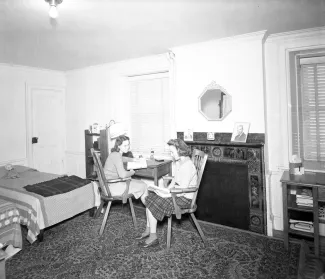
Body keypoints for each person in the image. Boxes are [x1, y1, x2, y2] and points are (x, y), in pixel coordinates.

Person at [136, 139, 197, 248]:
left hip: (185, 199)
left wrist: (166, 194)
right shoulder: (180, 161)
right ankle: (149, 229)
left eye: (173, 152)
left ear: (180, 151)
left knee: (152, 201)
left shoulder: (187, 166)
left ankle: (153, 236)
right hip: (177, 194)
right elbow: (175, 180)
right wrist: (166, 190)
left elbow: (182, 191)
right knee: (151, 198)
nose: (172, 155)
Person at [103, 135, 147, 200]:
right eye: (125, 146)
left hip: (108, 186)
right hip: (113, 188)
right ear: (118, 146)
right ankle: (148, 209)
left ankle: (148, 209)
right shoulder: (117, 155)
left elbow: (122, 158)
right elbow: (123, 175)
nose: (127, 147)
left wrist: (133, 160)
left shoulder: (114, 154)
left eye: (128, 144)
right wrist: (132, 172)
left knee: (140, 183)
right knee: (144, 185)